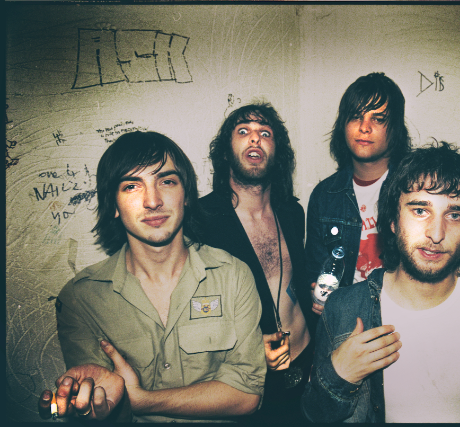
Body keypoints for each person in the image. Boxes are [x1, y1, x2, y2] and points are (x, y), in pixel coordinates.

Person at [301, 141, 460, 423]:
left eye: (454, 214)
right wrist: (340, 375)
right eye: (420, 210)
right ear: (393, 220)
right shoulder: (344, 310)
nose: (437, 234)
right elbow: (314, 414)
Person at [37, 131, 266, 423]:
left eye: (166, 181)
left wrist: (143, 401)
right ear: (114, 204)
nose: (153, 201)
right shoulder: (80, 298)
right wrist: (102, 403)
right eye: (132, 186)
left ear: (187, 195)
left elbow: (246, 395)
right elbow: (102, 403)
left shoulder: (233, 275)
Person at [199, 103, 314, 423]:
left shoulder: (292, 212)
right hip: (251, 377)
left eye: (265, 133)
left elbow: (291, 282)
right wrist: (248, 347)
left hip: (308, 360)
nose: (255, 138)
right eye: (243, 131)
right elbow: (198, 311)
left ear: (277, 153)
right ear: (226, 152)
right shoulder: (202, 221)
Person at [305, 72, 411, 315]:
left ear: (395, 127)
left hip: (400, 316)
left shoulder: (413, 189)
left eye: (378, 119)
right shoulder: (325, 195)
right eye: (356, 117)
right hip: (344, 319)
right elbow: (314, 269)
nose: (364, 127)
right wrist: (317, 292)